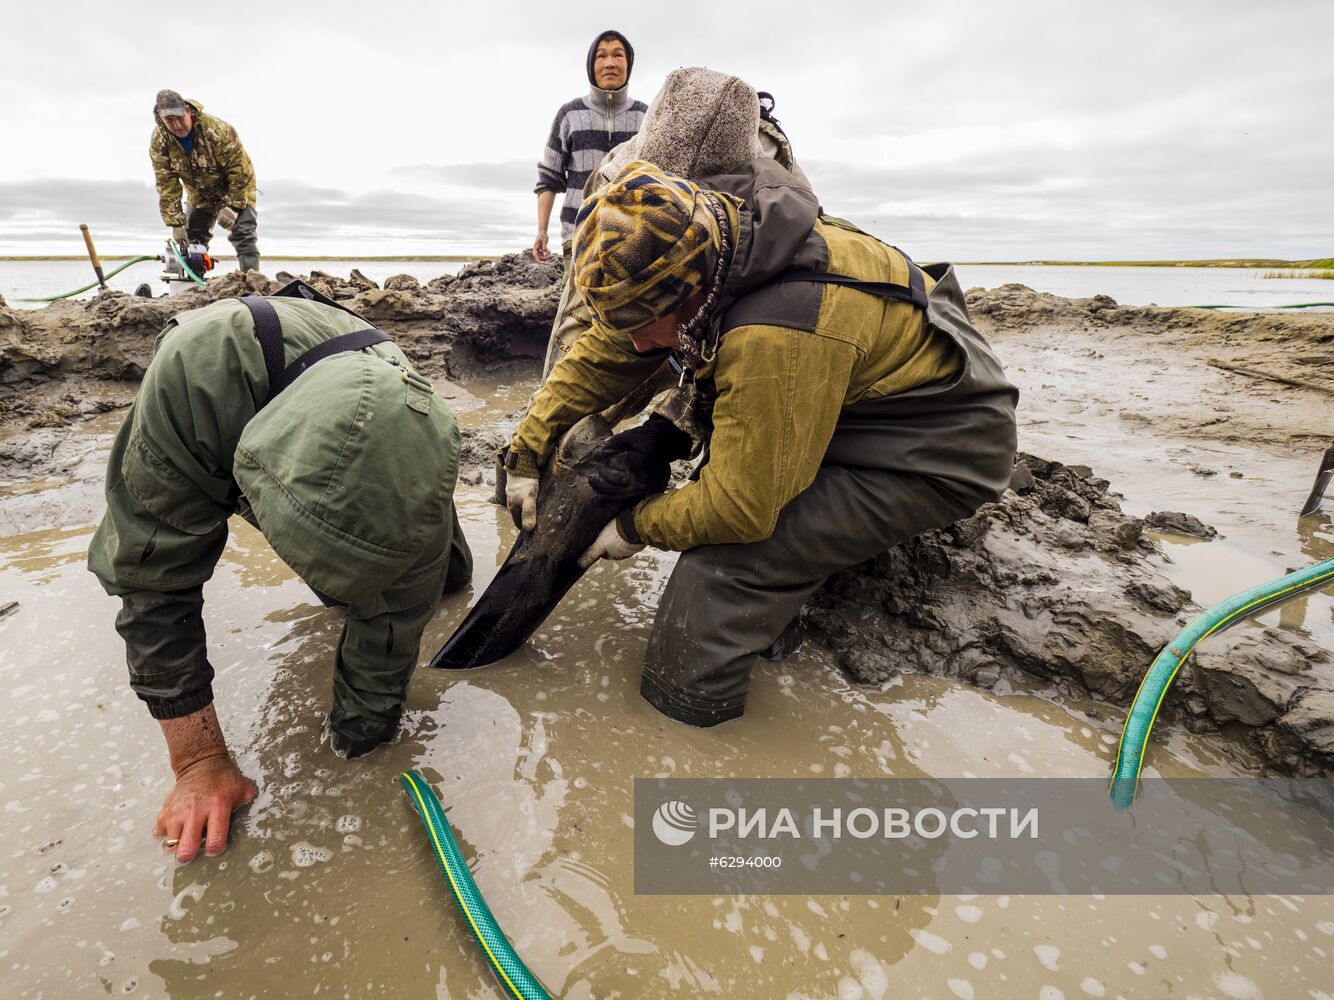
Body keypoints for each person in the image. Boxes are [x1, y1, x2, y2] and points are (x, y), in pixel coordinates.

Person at [504, 159, 1019, 727]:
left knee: (719, 576)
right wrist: (527, 450)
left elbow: (740, 508)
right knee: (743, 477)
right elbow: (607, 353)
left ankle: (691, 729)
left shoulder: (774, 331)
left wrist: (633, 528)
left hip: (933, 445)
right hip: (848, 397)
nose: (634, 339)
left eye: (644, 322)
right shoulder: (702, 236)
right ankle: (781, 619)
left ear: (691, 294)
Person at [88, 283, 472, 862]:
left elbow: (391, 624)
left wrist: (358, 746)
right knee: (173, 555)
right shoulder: (191, 384)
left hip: (376, 400)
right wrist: (199, 763)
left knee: (450, 581)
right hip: (227, 384)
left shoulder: (422, 434)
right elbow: (153, 587)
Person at [532, 30, 646, 266]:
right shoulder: (569, 115)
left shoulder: (646, 117)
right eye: (601, 56)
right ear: (591, 65)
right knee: (575, 305)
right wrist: (542, 230)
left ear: (628, 63)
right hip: (578, 238)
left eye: (618, 55)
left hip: (635, 241)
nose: (610, 64)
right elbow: (549, 178)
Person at [150, 89, 262, 273]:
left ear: (187, 110)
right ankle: (194, 284)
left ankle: (253, 282)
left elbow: (240, 171)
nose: (177, 125)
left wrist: (234, 206)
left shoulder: (217, 130)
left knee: (244, 234)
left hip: (235, 188)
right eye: (170, 120)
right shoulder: (160, 141)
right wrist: (176, 223)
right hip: (199, 194)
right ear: (161, 119)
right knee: (193, 240)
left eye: (180, 118)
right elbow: (166, 183)